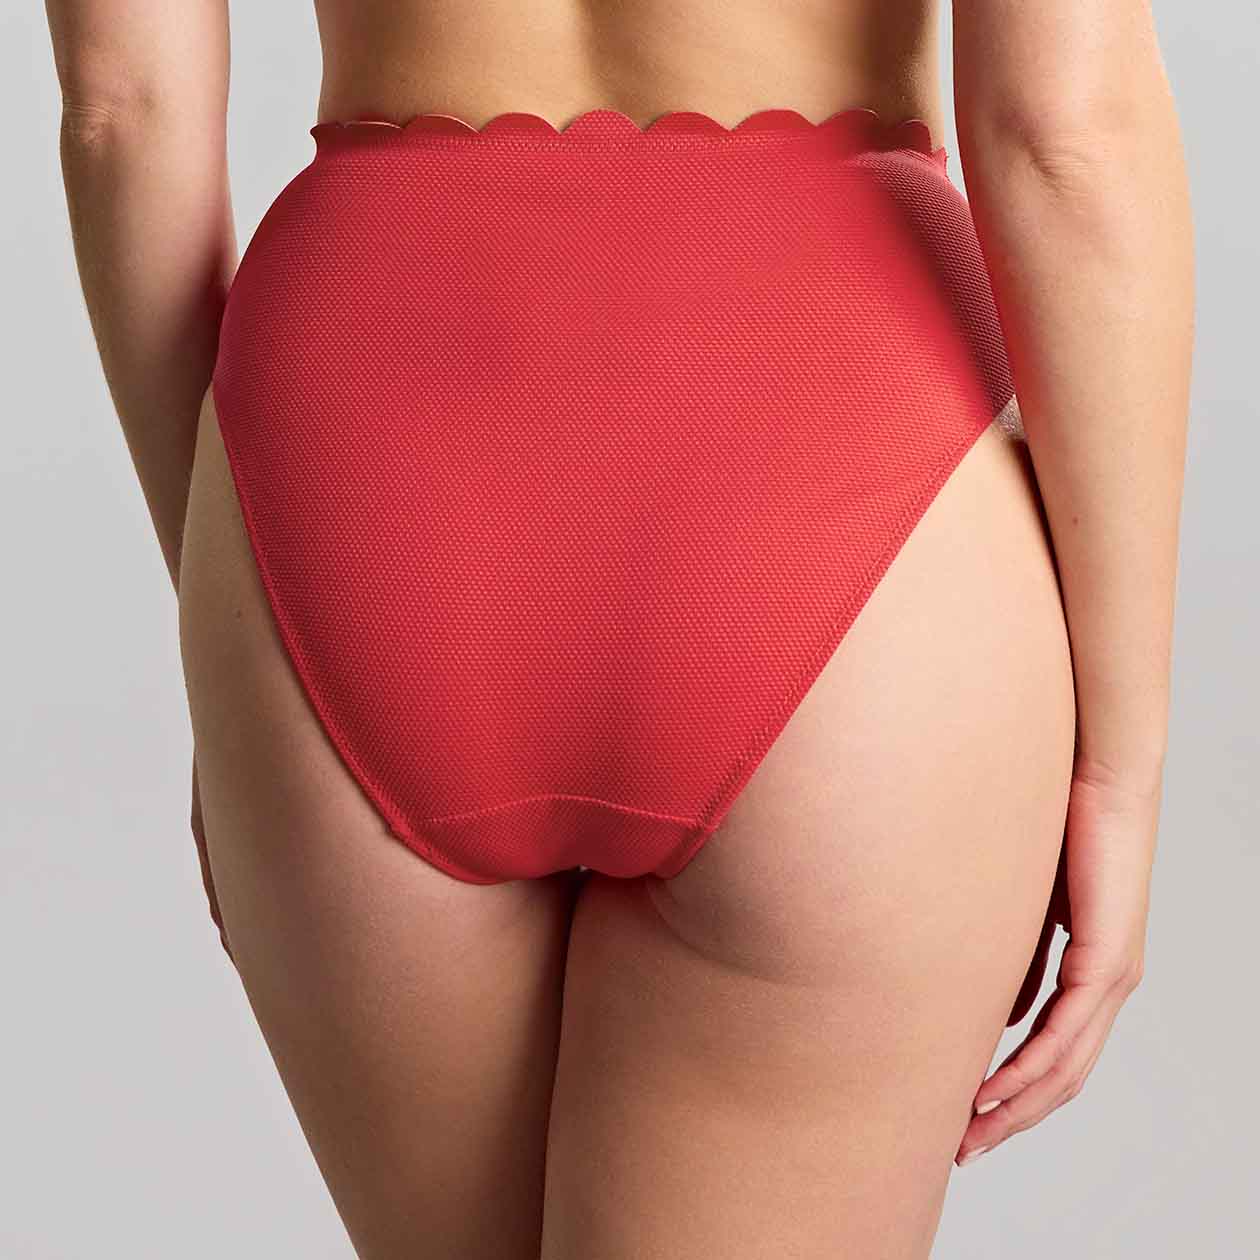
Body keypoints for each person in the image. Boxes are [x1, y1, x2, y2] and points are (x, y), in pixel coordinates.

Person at [45, 0, 1193, 1255]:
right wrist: (1121, 770)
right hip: (828, 412)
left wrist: (253, 620)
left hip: (361, 456)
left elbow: (122, 114)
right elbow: (1064, 134)